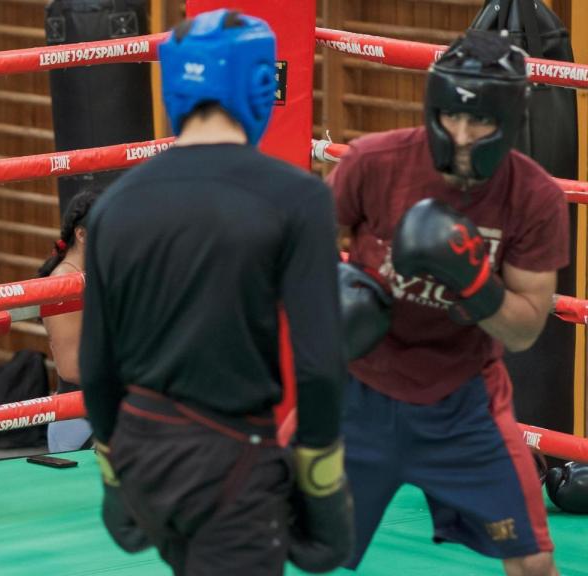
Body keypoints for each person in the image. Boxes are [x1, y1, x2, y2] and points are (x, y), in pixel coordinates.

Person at [80, 10, 352, 575]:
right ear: (260, 85)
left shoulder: (114, 206)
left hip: (142, 452)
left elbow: (98, 366)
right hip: (230, 459)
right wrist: (321, 484)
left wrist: (114, 477)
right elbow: (320, 365)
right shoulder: (296, 197)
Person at [328, 30, 568, 576]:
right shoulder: (374, 162)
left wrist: (475, 283)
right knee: (277, 538)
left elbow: (526, 330)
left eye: (479, 122)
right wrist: (336, 298)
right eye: (449, 119)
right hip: (358, 392)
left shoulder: (535, 199)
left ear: (508, 120)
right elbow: (306, 245)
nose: (460, 136)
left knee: (533, 561)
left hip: (463, 404)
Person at [38, 190, 99, 453]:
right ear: (81, 235)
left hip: (102, 405)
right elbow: (72, 367)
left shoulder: (93, 274)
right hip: (80, 418)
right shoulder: (63, 283)